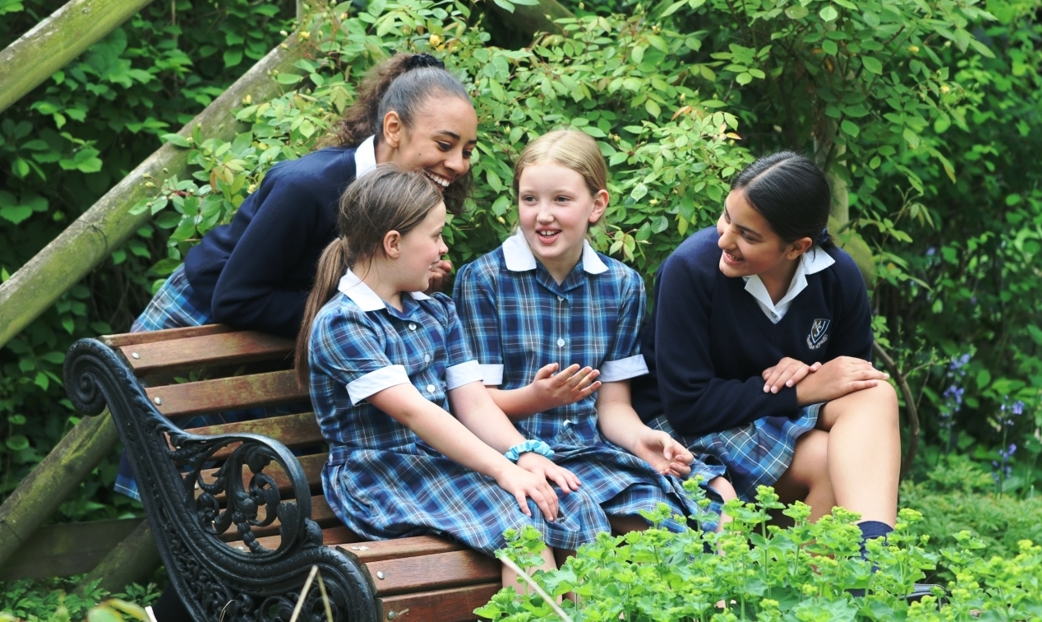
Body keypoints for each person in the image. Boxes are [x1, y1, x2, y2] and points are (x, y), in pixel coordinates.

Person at [119, 51, 476, 501]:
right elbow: (236, 297)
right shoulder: (306, 185)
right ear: (392, 129)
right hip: (203, 313)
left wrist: (409, 281)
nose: (459, 164)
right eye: (445, 145)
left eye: (466, 150)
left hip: (285, 323)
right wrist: (362, 311)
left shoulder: (403, 198)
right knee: (182, 489)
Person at [297, 165, 608, 589]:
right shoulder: (344, 324)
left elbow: (474, 403)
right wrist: (504, 471)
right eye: (436, 236)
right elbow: (415, 413)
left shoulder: (435, 311)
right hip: (381, 477)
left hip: (444, 465)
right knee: (521, 524)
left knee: (572, 502)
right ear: (393, 243)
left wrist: (524, 453)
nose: (444, 249)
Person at [453, 130, 728, 533]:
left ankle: (721, 596)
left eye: (561, 200)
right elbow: (476, 404)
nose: (542, 214)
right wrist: (537, 398)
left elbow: (612, 405)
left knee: (682, 515)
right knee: (584, 524)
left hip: (591, 453)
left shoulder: (622, 285)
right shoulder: (484, 280)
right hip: (512, 453)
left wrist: (641, 440)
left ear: (596, 206)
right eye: (530, 199)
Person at [631, 151, 901, 550]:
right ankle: (803, 580)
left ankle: (874, 554)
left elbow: (849, 377)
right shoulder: (690, 269)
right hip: (687, 434)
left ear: (797, 247)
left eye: (748, 236)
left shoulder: (837, 278)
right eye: (727, 218)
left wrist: (808, 369)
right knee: (830, 459)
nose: (725, 239)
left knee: (874, 392)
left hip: (772, 423)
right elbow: (687, 405)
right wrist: (801, 388)